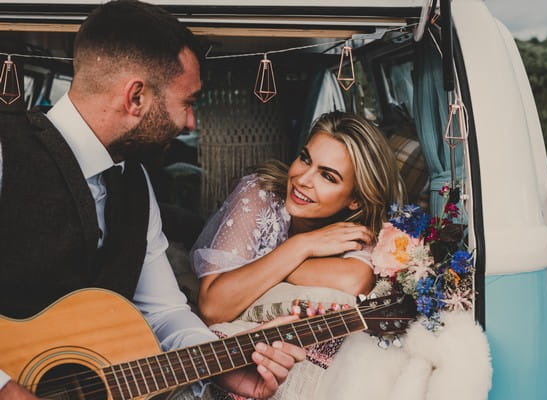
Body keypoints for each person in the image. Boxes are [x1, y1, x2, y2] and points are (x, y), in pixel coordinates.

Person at [0, 1, 305, 399]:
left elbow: (164, 312)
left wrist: (219, 366)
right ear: (136, 98)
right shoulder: (6, 155)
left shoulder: (136, 183)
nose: (191, 124)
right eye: (188, 103)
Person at [191, 110, 402, 324]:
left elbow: (353, 280)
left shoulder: (356, 228)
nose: (302, 179)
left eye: (327, 176)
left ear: (356, 200)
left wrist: (265, 271)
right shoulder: (260, 192)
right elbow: (212, 308)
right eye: (305, 159)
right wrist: (302, 245)